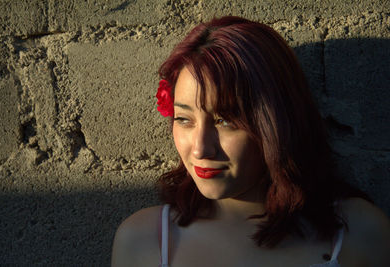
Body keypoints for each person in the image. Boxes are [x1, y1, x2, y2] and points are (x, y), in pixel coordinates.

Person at [111, 16, 390, 267]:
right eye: (184, 119)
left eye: (225, 121)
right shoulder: (143, 241)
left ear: (277, 122)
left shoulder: (360, 232)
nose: (200, 148)